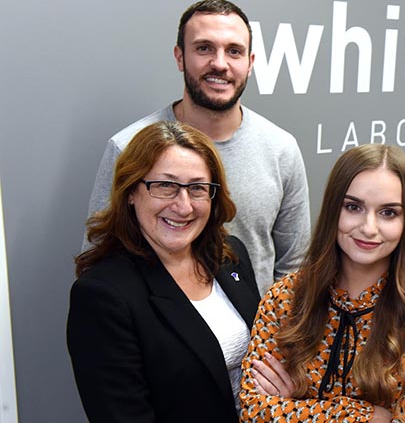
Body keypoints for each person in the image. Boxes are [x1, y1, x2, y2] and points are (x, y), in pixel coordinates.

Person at [85, 0, 310, 294]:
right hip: (156, 335)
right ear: (180, 57)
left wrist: (272, 336)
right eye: (204, 48)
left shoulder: (281, 149)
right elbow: (99, 262)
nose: (219, 63)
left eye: (234, 51)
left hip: (256, 335)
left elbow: (294, 268)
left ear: (250, 63)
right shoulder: (128, 147)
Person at [239, 144, 405, 422]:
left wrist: (294, 407)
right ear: (334, 209)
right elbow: (253, 413)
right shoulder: (284, 299)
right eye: (353, 207)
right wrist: (367, 416)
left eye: (388, 213)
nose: (369, 227)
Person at [67, 121, 261, 422]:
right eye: (165, 186)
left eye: (197, 188)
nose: (183, 206)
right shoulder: (103, 296)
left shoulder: (230, 254)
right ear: (131, 191)